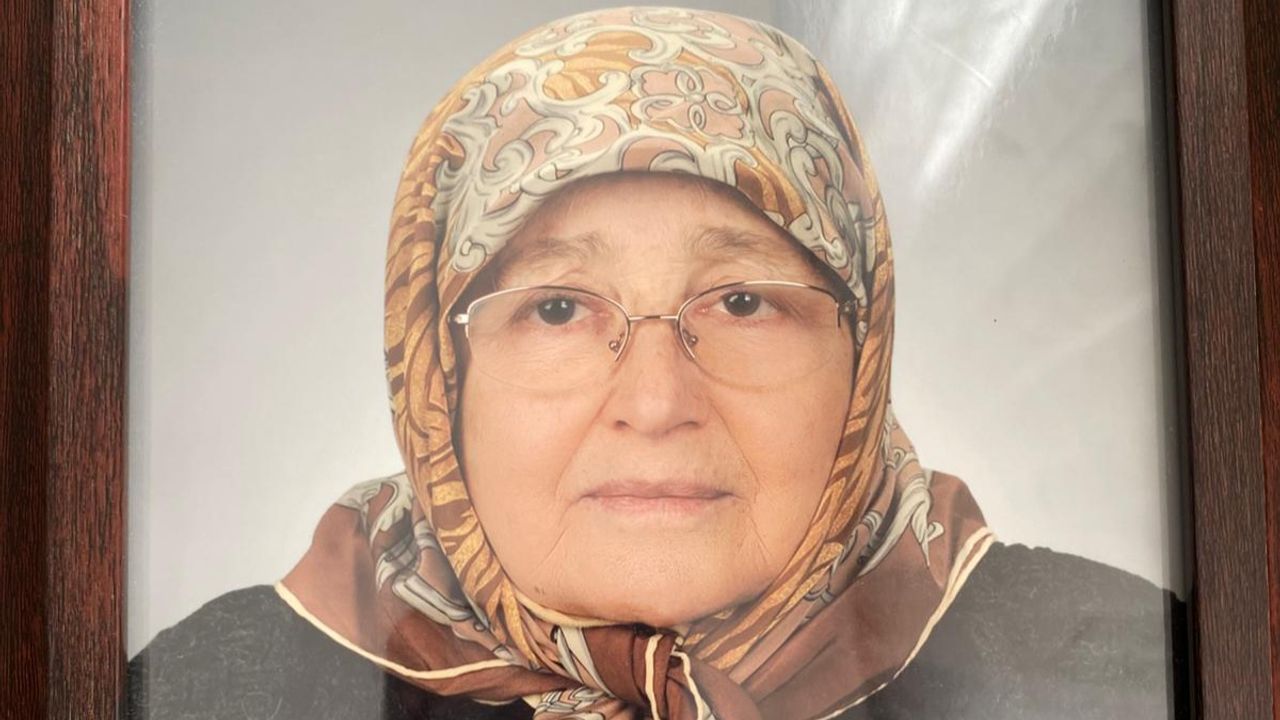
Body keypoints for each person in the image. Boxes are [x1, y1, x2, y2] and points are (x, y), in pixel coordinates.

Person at [127, 7, 1186, 719]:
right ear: (439, 380)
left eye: (741, 302)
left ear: (861, 352)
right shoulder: (220, 690)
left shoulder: (1116, 668)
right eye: (555, 307)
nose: (654, 400)